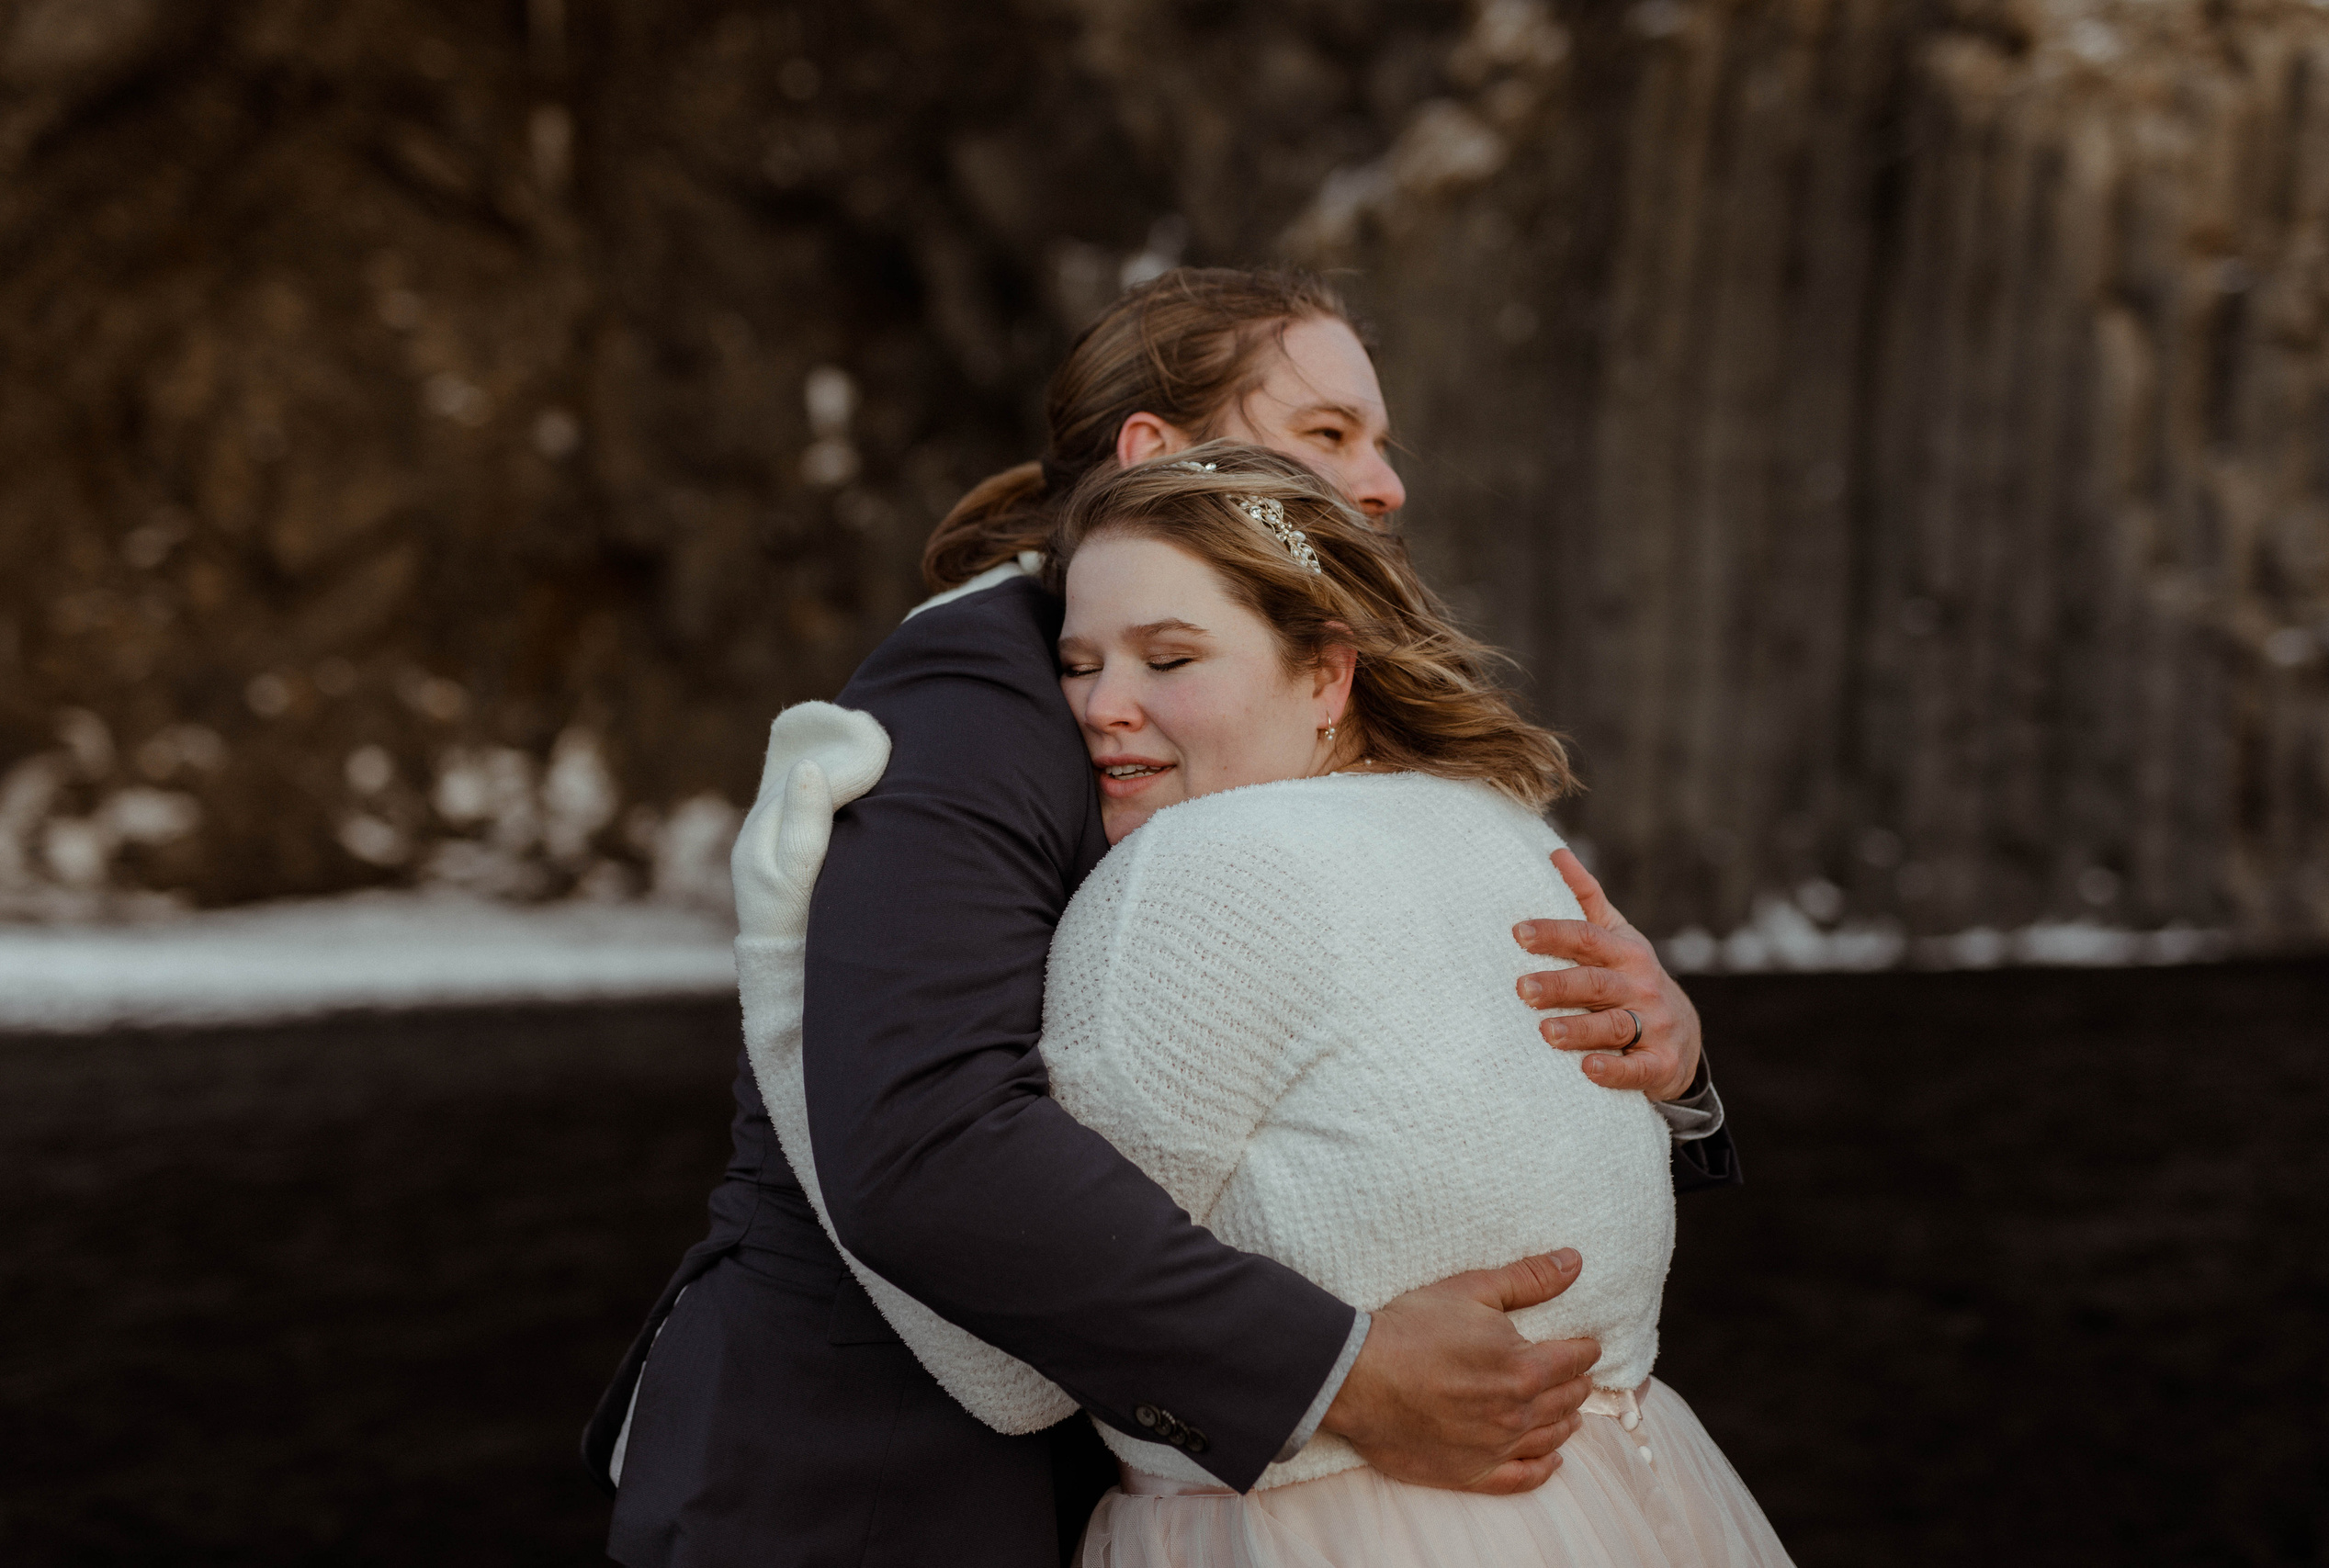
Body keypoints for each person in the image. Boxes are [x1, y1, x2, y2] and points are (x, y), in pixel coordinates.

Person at [583, 269, 1735, 1568]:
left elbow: (1386, 1073)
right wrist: (1339, 1377)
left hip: (1149, 1449)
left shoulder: (1340, 776)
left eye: (1380, 439)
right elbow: (923, 1137)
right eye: (1328, 432)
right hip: (867, 1477)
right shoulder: (982, 686)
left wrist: (1661, 1059)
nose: (1387, 480)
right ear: (1155, 450)